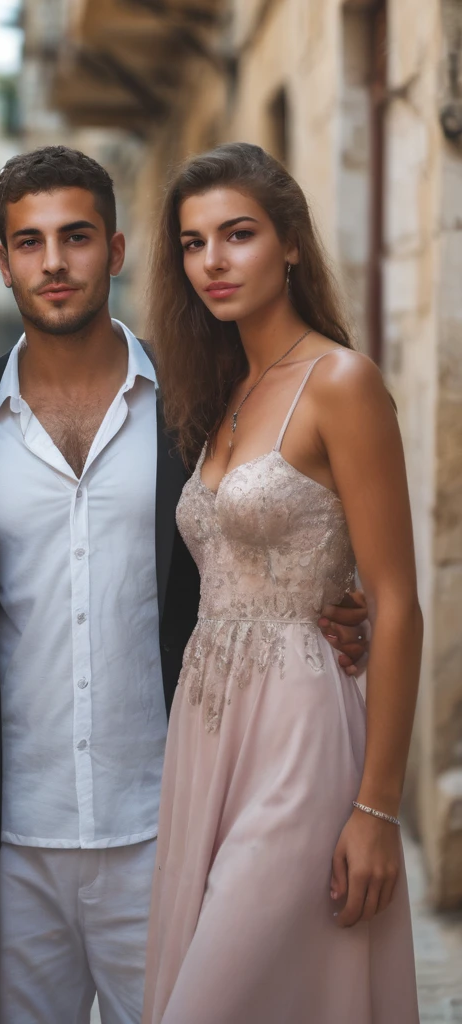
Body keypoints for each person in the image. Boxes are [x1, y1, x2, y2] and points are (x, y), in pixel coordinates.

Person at [0, 146, 370, 1024]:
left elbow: (274, 529)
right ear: (1, 264)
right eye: (29, 243)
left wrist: (334, 603)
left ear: (118, 248)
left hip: (171, 820)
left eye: (75, 237)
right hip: (9, 838)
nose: (54, 263)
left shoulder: (202, 401)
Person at [140, 142, 420, 1023]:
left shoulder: (341, 382)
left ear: (290, 243)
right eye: (193, 244)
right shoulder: (222, 388)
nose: (212, 263)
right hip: (207, 728)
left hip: (302, 727)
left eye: (238, 235)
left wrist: (378, 808)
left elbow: (400, 603)